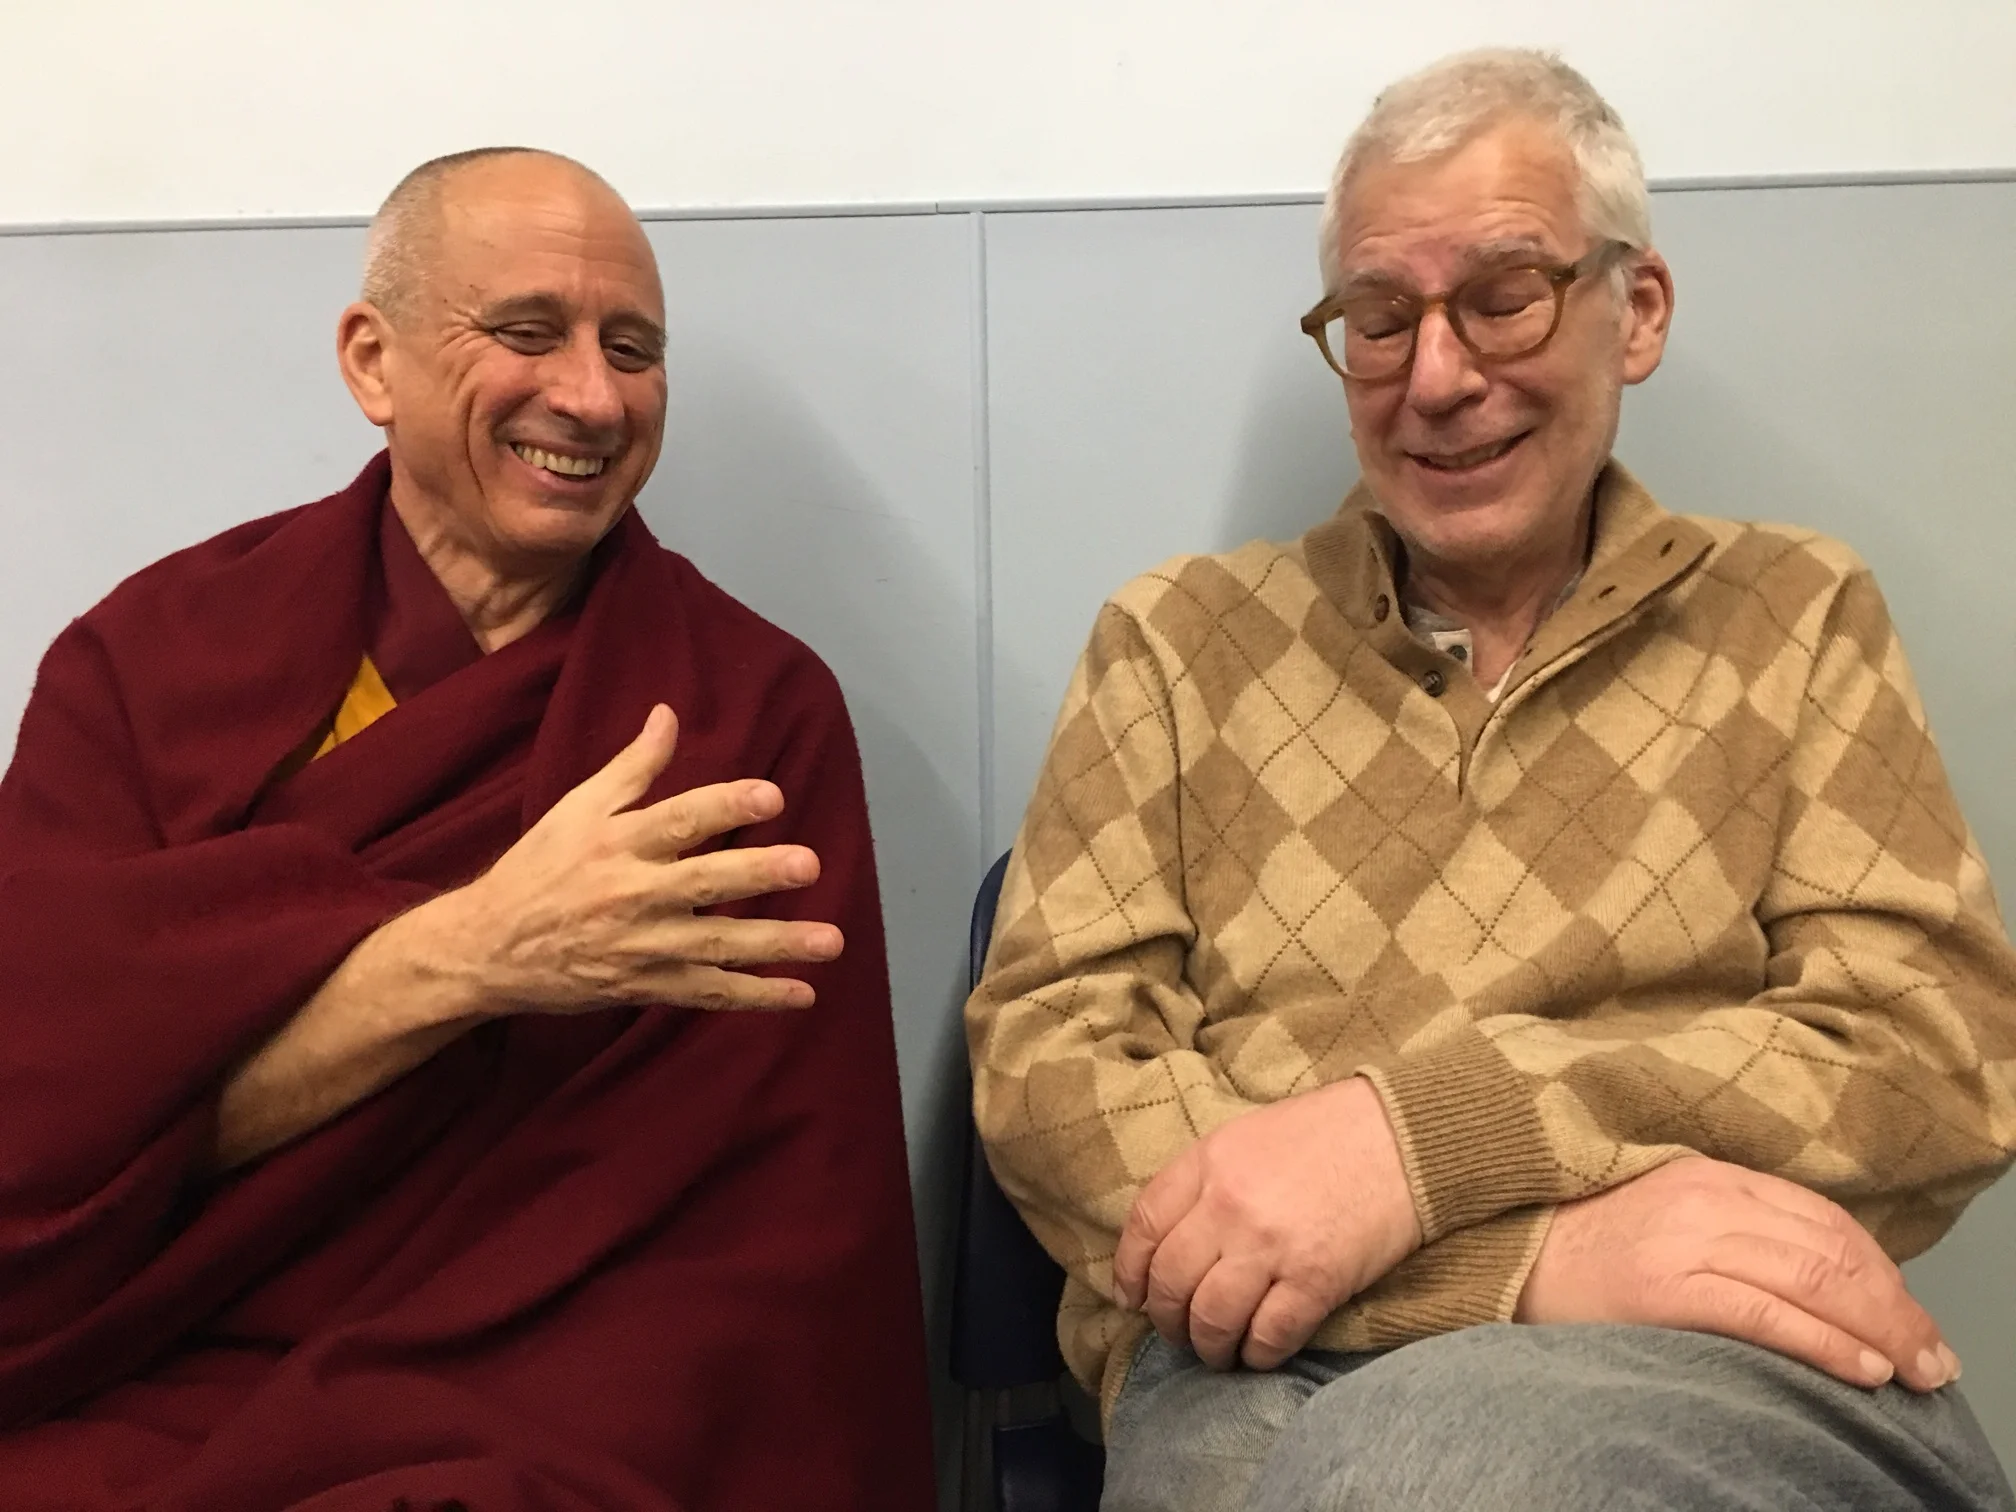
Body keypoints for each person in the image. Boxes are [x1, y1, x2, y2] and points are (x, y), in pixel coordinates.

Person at [967, 49, 2016, 1511]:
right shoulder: (1175, 642)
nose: (1438, 377)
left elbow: (1939, 1065)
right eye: (1381, 319)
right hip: (1262, 1365)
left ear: (1635, 311)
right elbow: (1051, 1072)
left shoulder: (1797, 616)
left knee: (1400, 1477)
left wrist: (1424, 1143)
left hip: (1706, 1353)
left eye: (1506, 295)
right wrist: (1526, 1264)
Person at [0, 147, 936, 1511]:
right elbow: (45, 1140)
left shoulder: (745, 715)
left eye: (635, 349)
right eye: (526, 332)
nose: (594, 396)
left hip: (528, 1397)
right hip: (148, 1352)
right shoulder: (150, 660)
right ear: (373, 362)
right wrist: (477, 953)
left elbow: (769, 1243)